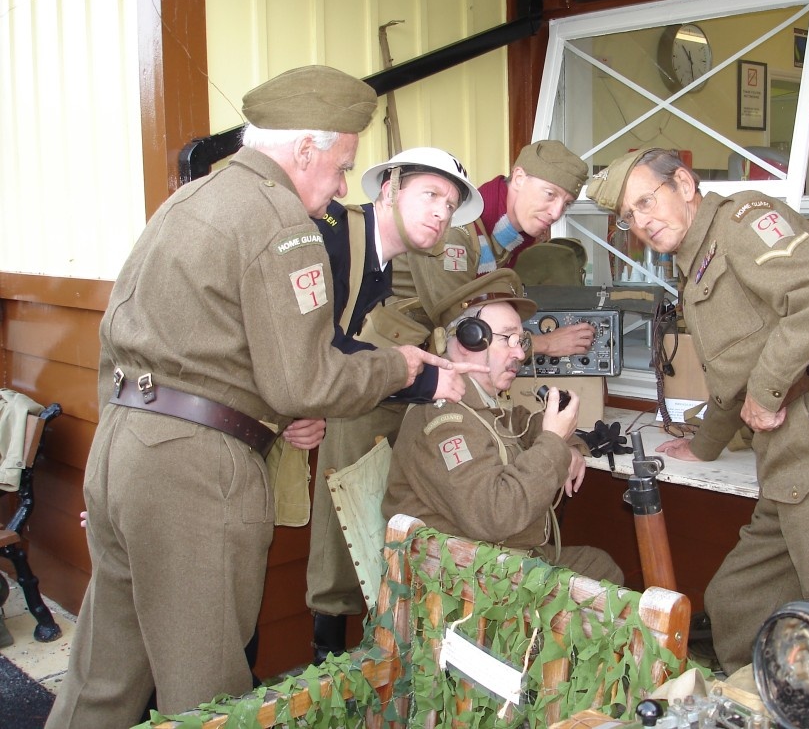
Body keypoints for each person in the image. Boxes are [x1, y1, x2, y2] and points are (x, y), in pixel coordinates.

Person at [45, 65, 463, 729]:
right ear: (304, 151)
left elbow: (117, 334)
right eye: (339, 166)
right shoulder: (280, 220)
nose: (336, 190)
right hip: (196, 475)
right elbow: (303, 382)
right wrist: (398, 365)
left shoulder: (189, 200)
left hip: (126, 447)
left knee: (102, 681)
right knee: (209, 699)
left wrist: (122, 474)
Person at [586, 147, 809, 674]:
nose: (641, 221)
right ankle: (763, 704)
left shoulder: (740, 221)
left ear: (685, 185)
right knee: (739, 598)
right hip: (790, 444)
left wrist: (766, 388)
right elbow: (733, 373)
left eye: (647, 201)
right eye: (629, 216)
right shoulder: (696, 259)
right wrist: (704, 443)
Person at [306, 147, 485, 662]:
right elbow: (319, 350)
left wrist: (426, 381)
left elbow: (341, 352)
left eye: (450, 205)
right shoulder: (334, 237)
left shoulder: (378, 264)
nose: (441, 213)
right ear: (388, 190)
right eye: (430, 195)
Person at [381, 269, 624, 585]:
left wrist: (567, 443)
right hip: (465, 583)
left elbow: (523, 424)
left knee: (598, 566)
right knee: (602, 582)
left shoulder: (479, 399)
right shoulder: (444, 418)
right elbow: (495, 514)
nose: (521, 353)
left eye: (521, 340)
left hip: (494, 559)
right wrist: (552, 441)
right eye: (508, 339)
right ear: (469, 338)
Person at [392, 139, 597, 357]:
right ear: (518, 178)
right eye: (550, 194)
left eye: (566, 204)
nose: (556, 213)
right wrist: (543, 344)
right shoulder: (455, 229)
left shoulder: (507, 238)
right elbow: (461, 329)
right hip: (398, 358)